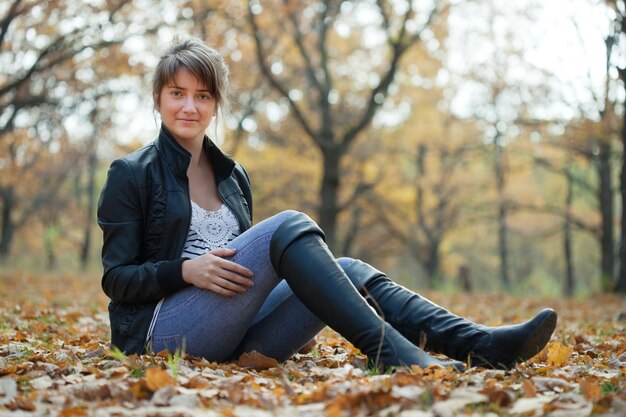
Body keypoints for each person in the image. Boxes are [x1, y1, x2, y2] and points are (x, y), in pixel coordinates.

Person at [98, 36, 557, 372]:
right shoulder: (131, 174)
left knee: (350, 269)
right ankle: (396, 356)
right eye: (177, 94)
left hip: (235, 332)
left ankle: (481, 345)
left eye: (203, 95)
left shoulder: (232, 176)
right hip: (163, 334)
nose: (190, 107)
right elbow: (116, 280)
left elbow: (253, 272)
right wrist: (184, 270)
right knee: (289, 225)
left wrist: (301, 309)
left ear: (216, 104)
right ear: (158, 99)